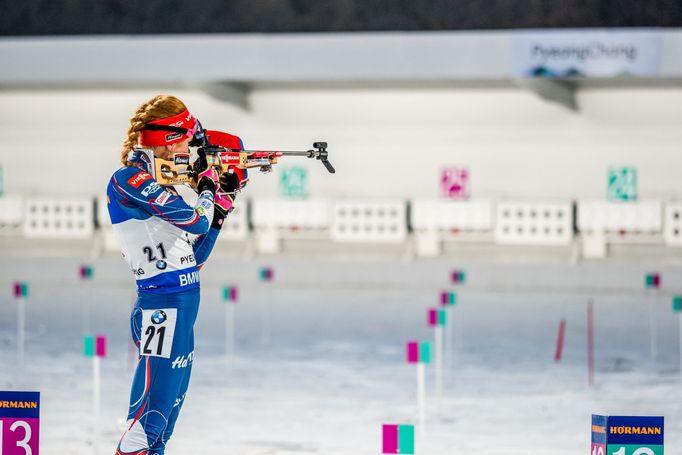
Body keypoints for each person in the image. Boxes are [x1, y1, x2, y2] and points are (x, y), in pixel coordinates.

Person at [107, 95, 244, 455]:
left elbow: (191, 260)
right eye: (185, 141)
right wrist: (207, 189)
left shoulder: (162, 186)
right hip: (160, 311)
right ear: (167, 139)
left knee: (161, 432)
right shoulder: (128, 180)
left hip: (181, 312)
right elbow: (194, 217)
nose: (189, 150)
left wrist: (221, 211)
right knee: (144, 429)